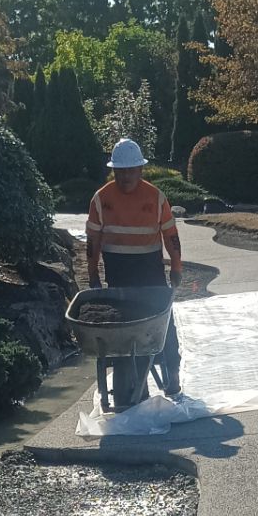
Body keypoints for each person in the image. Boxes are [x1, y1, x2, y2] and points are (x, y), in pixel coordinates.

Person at [85, 138, 183, 396]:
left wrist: (176, 266)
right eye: (121, 171)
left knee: (163, 324)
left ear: (141, 170)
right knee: (121, 326)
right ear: (113, 170)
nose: (126, 176)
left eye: (131, 170)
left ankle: (172, 372)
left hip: (149, 271)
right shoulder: (101, 199)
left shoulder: (155, 197)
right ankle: (126, 377)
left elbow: (171, 235)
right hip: (118, 272)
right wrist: (93, 272)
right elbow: (93, 239)